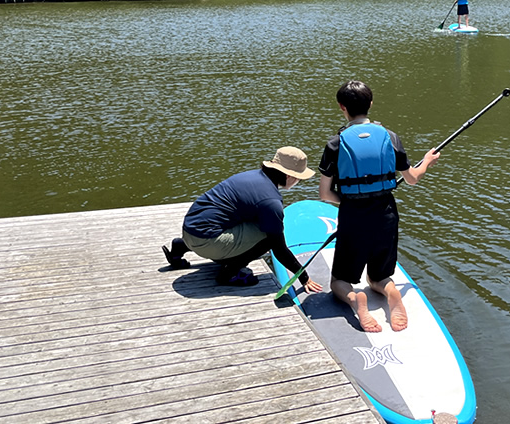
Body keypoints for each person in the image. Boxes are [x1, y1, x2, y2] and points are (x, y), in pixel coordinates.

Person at [318, 81, 439, 332]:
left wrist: (350, 201)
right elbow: (412, 179)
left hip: (353, 217)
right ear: (370, 104)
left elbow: (325, 194)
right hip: (385, 214)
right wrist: (426, 161)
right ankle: (390, 292)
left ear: (342, 107)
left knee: (339, 281)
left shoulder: (335, 143)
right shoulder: (391, 137)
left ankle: (354, 299)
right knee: (379, 277)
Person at [162, 146, 324, 293]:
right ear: (289, 176)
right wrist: (303, 277)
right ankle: (229, 274)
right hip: (206, 242)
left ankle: (180, 247)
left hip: (189, 230)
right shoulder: (271, 201)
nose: (298, 182)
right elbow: (278, 248)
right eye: (299, 178)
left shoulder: (251, 176)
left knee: (258, 223)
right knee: (268, 238)